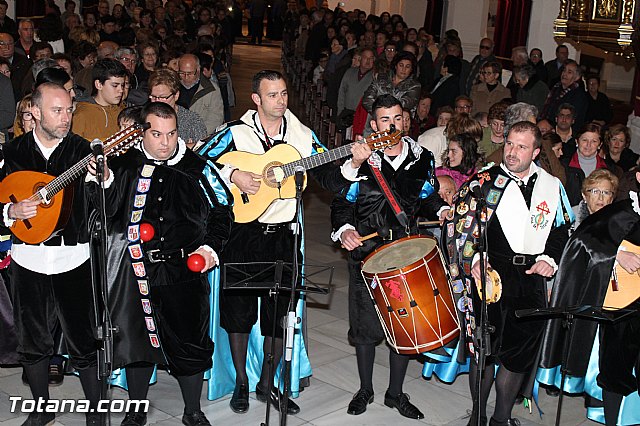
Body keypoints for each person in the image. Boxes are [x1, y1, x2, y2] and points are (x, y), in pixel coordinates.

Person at [198, 70, 371, 414]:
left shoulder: (302, 135)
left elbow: (327, 175)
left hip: (285, 235)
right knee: (239, 312)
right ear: (257, 99)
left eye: (284, 93)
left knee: (280, 314)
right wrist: (233, 174)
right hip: (243, 233)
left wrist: (353, 161)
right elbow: (199, 161)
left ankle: (266, 382)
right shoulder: (234, 132)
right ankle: (241, 385)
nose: (281, 100)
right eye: (272, 95)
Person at [95, 102, 233, 426]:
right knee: (138, 340)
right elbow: (106, 212)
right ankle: (137, 408)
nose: (165, 142)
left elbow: (223, 212)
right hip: (135, 272)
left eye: (171, 134)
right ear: (142, 132)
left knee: (189, 341)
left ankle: (192, 411)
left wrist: (211, 249)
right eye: (156, 134)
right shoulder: (124, 166)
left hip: (185, 271)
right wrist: (101, 183)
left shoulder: (198, 168)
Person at [443, 121, 573, 426]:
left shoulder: (551, 186)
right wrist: (473, 257)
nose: (512, 152)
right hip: (490, 275)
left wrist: (550, 259)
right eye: (510, 144)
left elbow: (562, 228)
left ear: (536, 151)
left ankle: (501, 418)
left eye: (522, 146)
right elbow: (459, 227)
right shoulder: (485, 181)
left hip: (531, 279)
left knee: (520, 352)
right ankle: (478, 416)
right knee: (484, 350)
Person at [331, 94, 450, 419]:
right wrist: (344, 230)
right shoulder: (361, 159)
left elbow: (427, 196)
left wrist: (440, 209)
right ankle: (365, 388)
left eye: (397, 118)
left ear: (405, 120)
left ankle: (395, 393)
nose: (392, 125)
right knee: (366, 326)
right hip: (368, 254)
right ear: (374, 125)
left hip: (407, 252)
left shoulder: (421, 157)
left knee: (405, 326)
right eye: (385, 120)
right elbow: (342, 202)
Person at [1, 82, 103, 425]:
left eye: (69, 110)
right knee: (32, 340)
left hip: (73, 258)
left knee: (84, 339)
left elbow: (105, 205)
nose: (66, 117)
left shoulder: (83, 151)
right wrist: (10, 213)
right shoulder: (14, 153)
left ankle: (95, 411)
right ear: (35, 113)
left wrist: (103, 179)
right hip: (27, 258)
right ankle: (41, 409)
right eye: (57, 111)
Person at [540, 172, 640, 426]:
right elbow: (582, 240)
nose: (601, 197)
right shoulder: (623, 210)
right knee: (615, 371)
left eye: (606, 192)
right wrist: (617, 253)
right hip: (624, 307)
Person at [148, 68, 208, 148]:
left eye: (163, 97)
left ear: (176, 95)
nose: (157, 102)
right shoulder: (144, 118)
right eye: (154, 97)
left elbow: (202, 150)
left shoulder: (192, 122)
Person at [562, 123, 619, 207]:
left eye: (594, 141)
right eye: (584, 140)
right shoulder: (563, 166)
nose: (588, 145)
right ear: (577, 141)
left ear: (600, 145)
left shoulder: (610, 169)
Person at [72, 58, 127, 141]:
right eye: (115, 86)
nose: (121, 90)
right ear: (99, 85)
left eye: (122, 85)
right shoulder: (82, 115)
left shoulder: (122, 110)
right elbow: (75, 148)